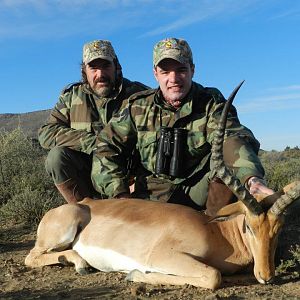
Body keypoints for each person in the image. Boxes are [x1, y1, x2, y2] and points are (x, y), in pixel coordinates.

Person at [91, 37, 273, 214]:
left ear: (192, 70)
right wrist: (120, 194)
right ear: (155, 74)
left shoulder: (211, 102)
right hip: (149, 197)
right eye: (165, 72)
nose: (174, 78)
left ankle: (217, 226)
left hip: (197, 192)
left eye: (181, 70)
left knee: (224, 168)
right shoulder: (137, 107)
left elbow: (232, 137)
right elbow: (105, 147)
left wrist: (252, 179)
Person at [38, 40, 149, 203]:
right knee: (57, 158)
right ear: (84, 70)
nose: (100, 74)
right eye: (94, 68)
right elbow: (46, 133)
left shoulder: (139, 95)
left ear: (116, 66)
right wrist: (94, 142)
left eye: (106, 66)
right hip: (87, 173)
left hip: (129, 175)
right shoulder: (71, 98)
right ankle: (84, 212)